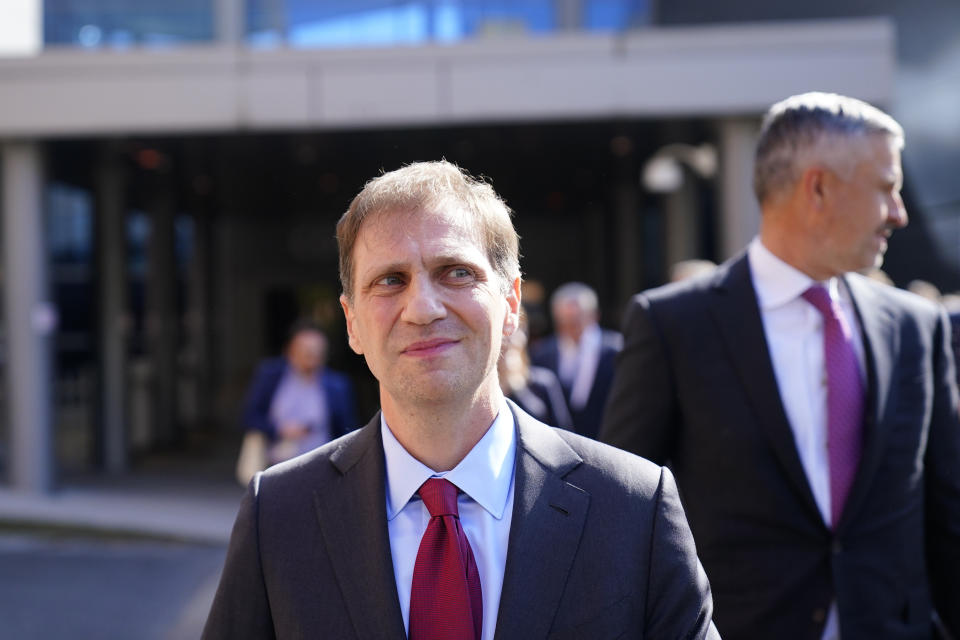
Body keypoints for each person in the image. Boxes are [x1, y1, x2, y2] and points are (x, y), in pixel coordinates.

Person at [204, 161, 720, 639]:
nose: (423, 308)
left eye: (456, 272)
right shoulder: (278, 513)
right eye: (390, 280)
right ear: (352, 323)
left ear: (511, 303)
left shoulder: (633, 506)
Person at [601, 92, 960, 639]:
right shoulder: (674, 326)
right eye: (886, 188)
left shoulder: (917, 326)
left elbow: (946, 515)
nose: (899, 213)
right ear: (818, 187)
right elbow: (625, 516)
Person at [239, 322, 356, 464]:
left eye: (317, 350)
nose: (312, 355)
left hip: (321, 464)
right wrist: (279, 430)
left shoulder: (337, 385)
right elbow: (249, 416)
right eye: (306, 350)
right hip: (273, 464)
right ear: (290, 350)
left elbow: (347, 431)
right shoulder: (270, 375)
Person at [530, 282, 622, 439]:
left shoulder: (617, 350)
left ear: (594, 316)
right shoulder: (543, 354)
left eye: (577, 321)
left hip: (610, 440)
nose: (571, 328)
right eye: (564, 322)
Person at [498, 311, 573, 429]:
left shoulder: (543, 382)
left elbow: (564, 434)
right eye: (502, 328)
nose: (510, 336)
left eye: (517, 328)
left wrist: (515, 383)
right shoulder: (476, 387)